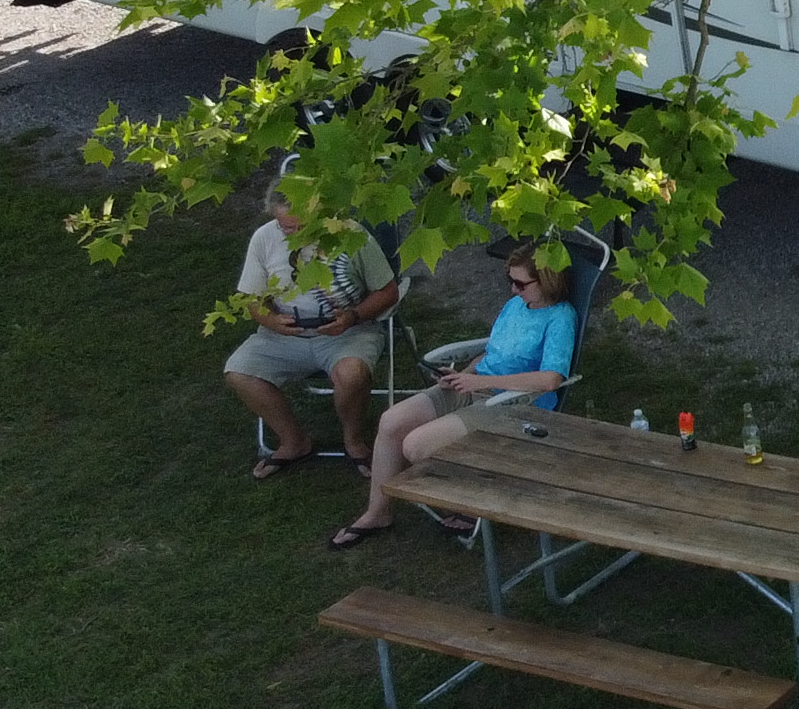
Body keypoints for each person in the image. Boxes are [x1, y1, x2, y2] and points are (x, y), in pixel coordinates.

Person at [330, 241, 583, 548]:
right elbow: (493, 352)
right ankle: (377, 513)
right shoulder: (516, 306)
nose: (512, 290)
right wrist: (462, 375)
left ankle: (471, 504)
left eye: (520, 284)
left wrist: (479, 382)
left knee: (416, 446)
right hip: (477, 384)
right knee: (391, 421)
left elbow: (551, 379)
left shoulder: (560, 317)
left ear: (547, 281)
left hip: (515, 404)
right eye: (510, 280)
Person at [223, 177, 402, 478]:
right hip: (285, 334)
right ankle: (293, 442)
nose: (294, 234)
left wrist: (353, 316)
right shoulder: (264, 238)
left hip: (348, 331)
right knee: (239, 372)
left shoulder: (350, 234)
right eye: (287, 228)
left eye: (301, 227)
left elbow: (388, 291)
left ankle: (354, 441)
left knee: (351, 374)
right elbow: (251, 298)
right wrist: (271, 320)